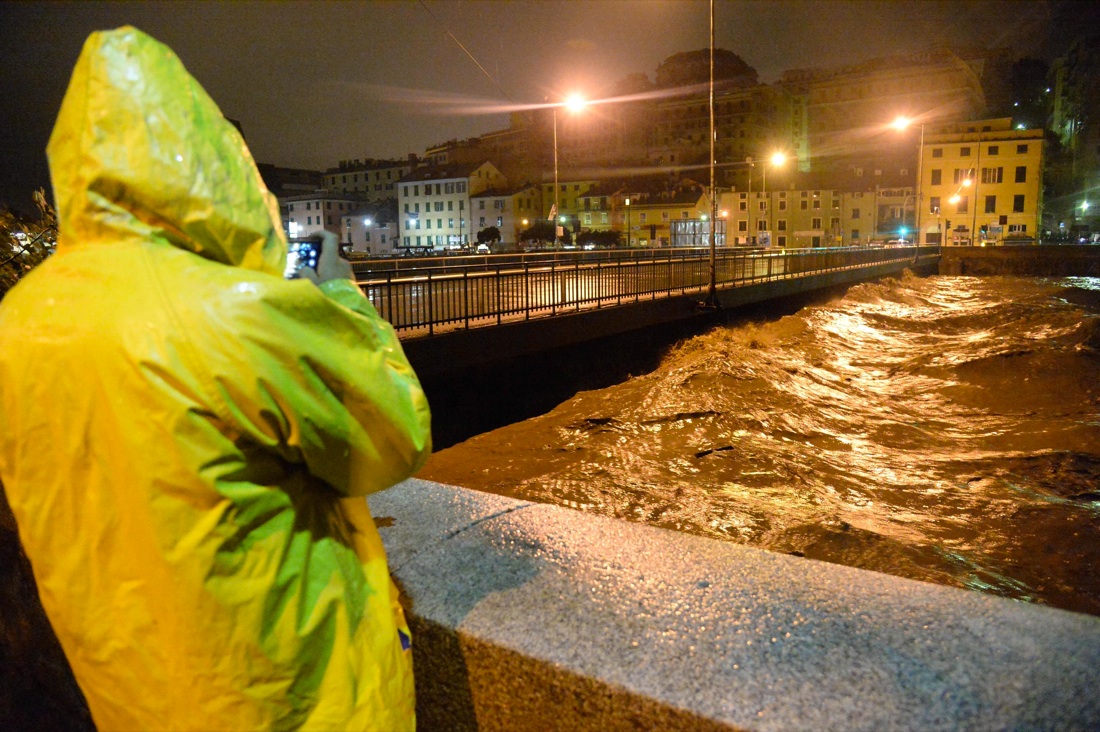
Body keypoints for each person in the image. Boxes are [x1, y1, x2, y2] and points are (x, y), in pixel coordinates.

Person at [0, 27, 431, 730]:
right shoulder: (235, 314)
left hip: (134, 698)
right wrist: (328, 288)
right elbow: (393, 436)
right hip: (292, 701)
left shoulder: (18, 317)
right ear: (210, 166)